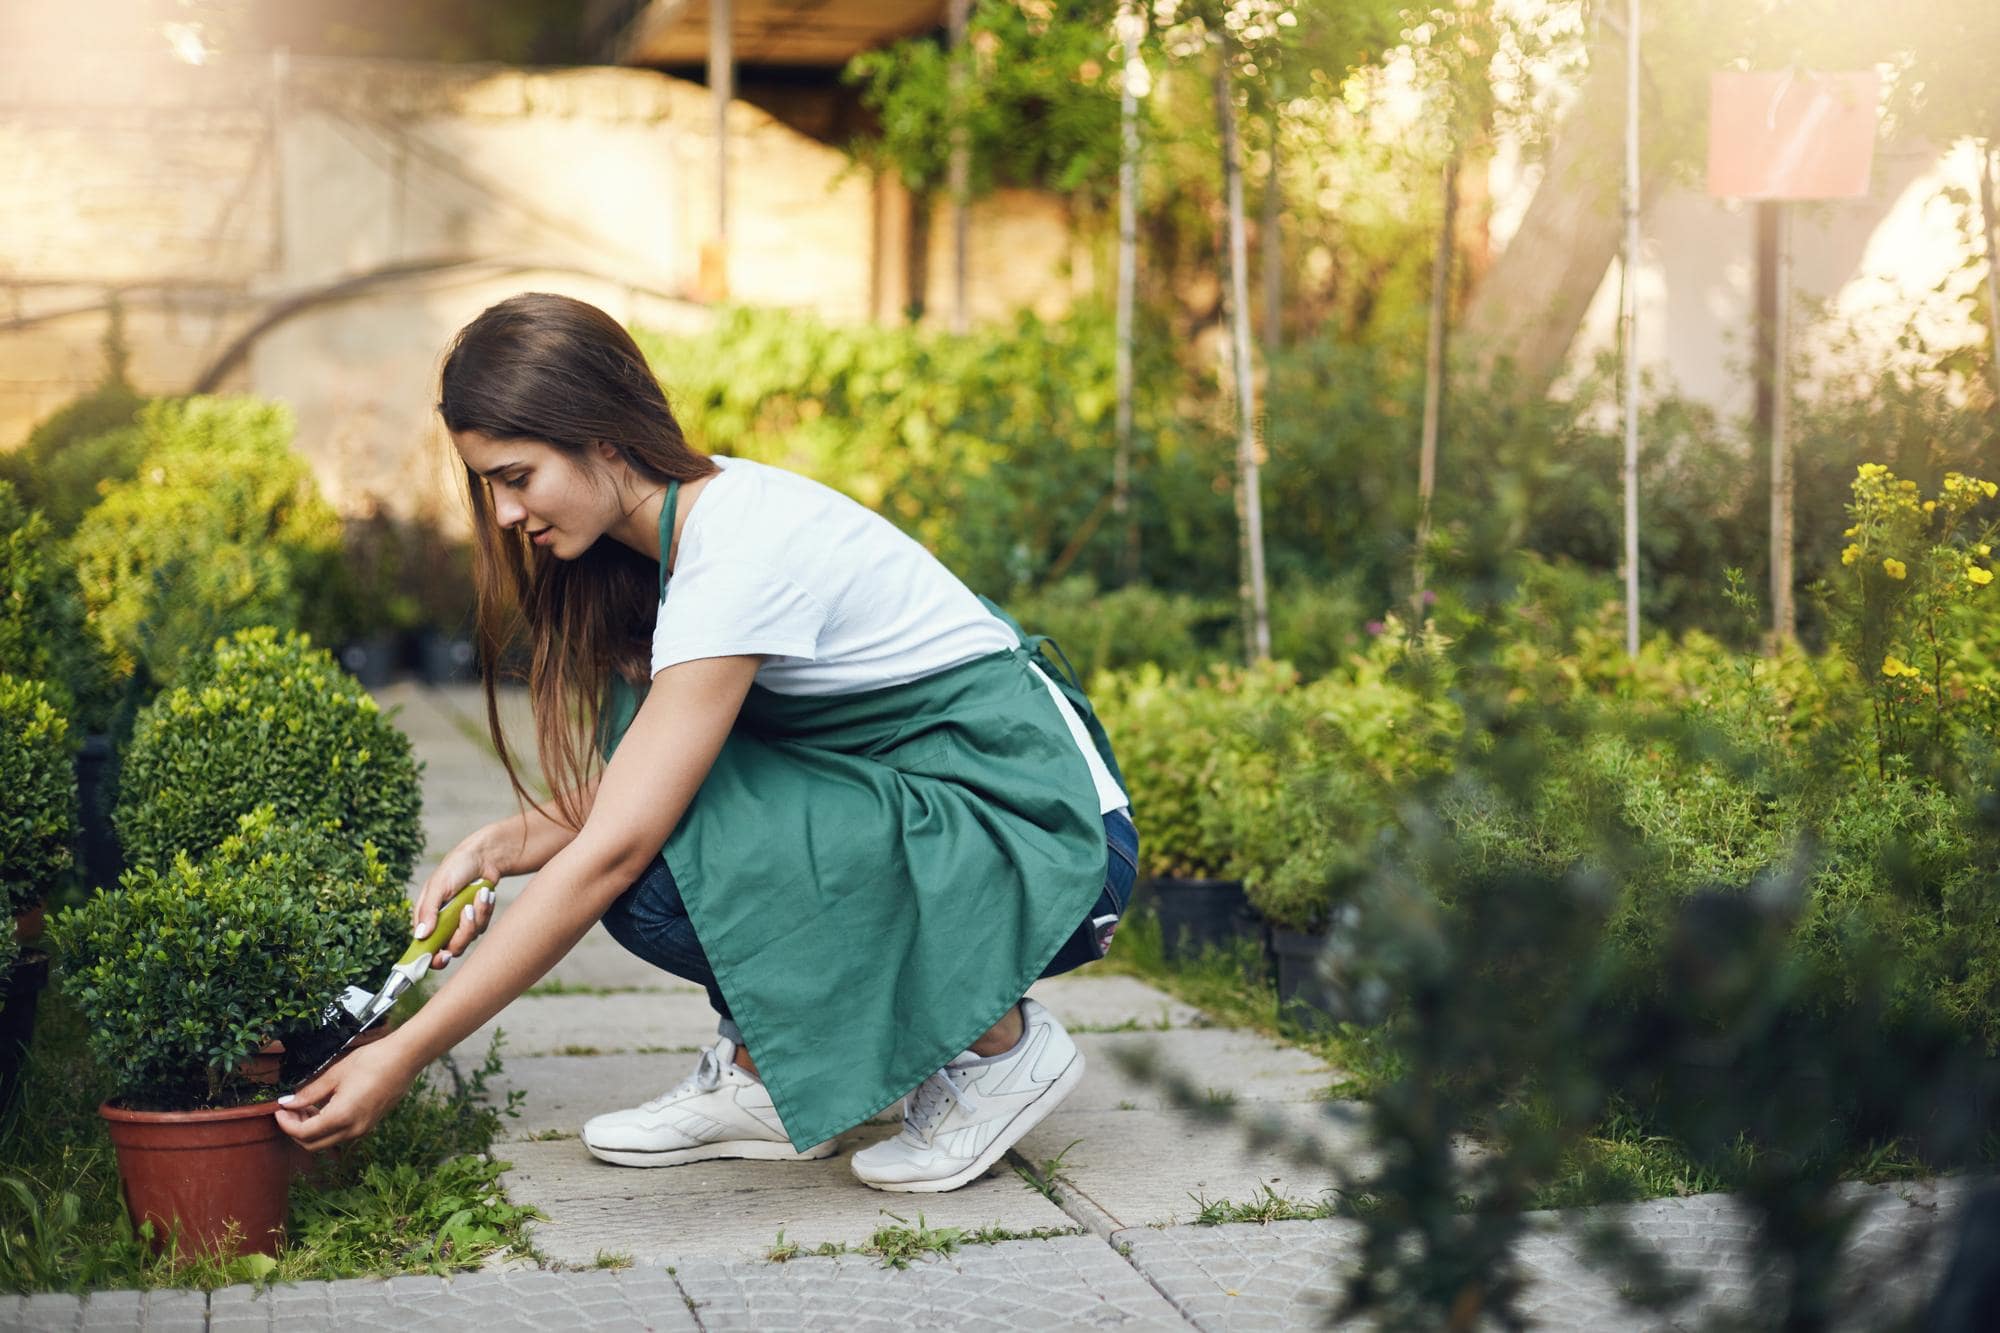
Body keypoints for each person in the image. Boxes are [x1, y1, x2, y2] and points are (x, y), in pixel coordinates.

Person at [276, 291, 1139, 1194]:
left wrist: (406, 1050)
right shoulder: (670, 535)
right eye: (488, 483)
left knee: (649, 880)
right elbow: (653, 774)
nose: (501, 514)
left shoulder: (736, 554)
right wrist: (502, 843)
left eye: (517, 476)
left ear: (605, 440)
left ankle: (999, 1048)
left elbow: (621, 843)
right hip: (948, 812)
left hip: (1052, 841)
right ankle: (769, 1075)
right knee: (662, 832)